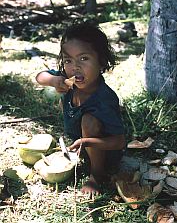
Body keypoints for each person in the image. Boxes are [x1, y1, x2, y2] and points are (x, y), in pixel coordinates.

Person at [36, 22, 126, 196]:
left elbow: (119, 142)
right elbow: (40, 77)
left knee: (89, 120)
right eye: (68, 60)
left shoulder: (104, 99)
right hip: (80, 145)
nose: (75, 67)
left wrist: (88, 142)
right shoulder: (68, 82)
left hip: (105, 151)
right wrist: (53, 81)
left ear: (101, 62)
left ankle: (97, 176)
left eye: (83, 58)